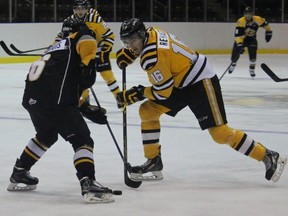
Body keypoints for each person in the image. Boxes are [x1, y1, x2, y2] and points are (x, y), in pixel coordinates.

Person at [115, 18, 286, 183]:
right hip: (181, 80)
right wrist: (132, 53)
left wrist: (138, 93)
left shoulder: (152, 57)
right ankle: (153, 160)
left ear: (142, 35)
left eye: (133, 41)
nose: (130, 46)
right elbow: (162, 67)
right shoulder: (152, 31)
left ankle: (267, 155)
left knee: (220, 133)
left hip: (200, 81)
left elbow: (163, 93)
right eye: (127, 42)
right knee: (148, 111)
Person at [7, 19, 114, 203]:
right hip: (54, 99)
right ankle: (88, 182)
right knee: (82, 139)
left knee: (46, 135)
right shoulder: (81, 37)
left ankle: (20, 171)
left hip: (32, 99)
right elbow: (85, 71)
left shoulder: (55, 49)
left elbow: (61, 83)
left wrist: (85, 108)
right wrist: (88, 66)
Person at [54, 0, 122, 113]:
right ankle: (85, 101)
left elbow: (109, 36)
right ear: (74, 9)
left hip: (98, 50)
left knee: (106, 73)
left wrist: (103, 51)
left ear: (87, 9)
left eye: (83, 8)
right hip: (82, 52)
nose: (80, 11)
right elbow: (62, 37)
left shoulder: (95, 19)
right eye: (78, 8)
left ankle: (119, 98)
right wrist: (53, 47)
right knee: (81, 76)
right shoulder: (68, 21)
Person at [228, 6, 273, 77]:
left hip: (252, 39)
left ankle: (252, 69)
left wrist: (269, 32)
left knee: (253, 55)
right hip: (242, 39)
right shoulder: (241, 21)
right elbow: (238, 35)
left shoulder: (258, 19)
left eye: (249, 13)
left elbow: (266, 25)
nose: (248, 15)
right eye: (246, 13)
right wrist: (240, 45)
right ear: (244, 14)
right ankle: (233, 64)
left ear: (252, 14)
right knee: (235, 55)